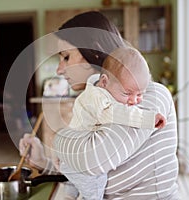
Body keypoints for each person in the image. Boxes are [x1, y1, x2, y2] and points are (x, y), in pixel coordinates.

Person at [19, 11, 180, 199]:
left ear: (93, 51)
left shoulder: (149, 97)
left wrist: (57, 139)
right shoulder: (98, 104)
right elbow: (87, 178)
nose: (59, 69)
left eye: (66, 57)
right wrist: (42, 161)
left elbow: (93, 160)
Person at [59, 46, 167, 200]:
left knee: (73, 186)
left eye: (140, 94)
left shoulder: (100, 90)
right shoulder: (99, 99)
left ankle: (70, 195)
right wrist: (148, 118)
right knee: (95, 186)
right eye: (127, 93)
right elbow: (115, 113)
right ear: (104, 82)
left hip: (72, 155)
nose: (134, 101)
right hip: (80, 160)